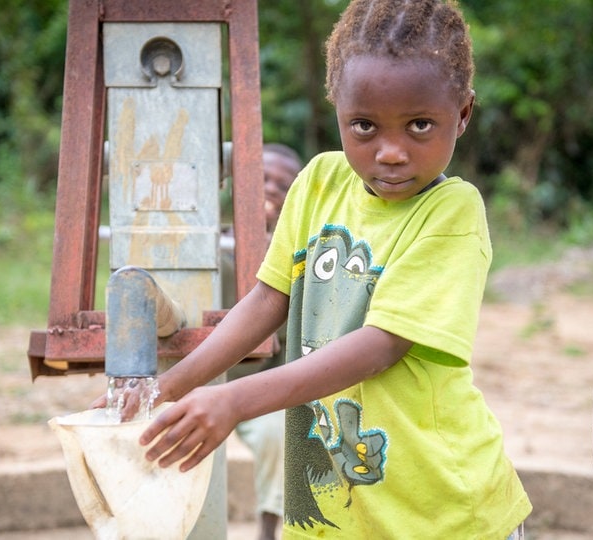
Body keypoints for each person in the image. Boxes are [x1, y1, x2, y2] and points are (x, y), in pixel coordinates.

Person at [139, 1, 532, 537]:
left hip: (442, 512)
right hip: (334, 512)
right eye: (364, 126)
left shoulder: (451, 212)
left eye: (419, 125)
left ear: (462, 114)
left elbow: (380, 346)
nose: (391, 152)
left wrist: (234, 399)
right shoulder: (319, 181)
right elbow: (266, 300)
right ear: (337, 111)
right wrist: (168, 387)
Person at [221, 143, 303, 540]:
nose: (271, 190)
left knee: (280, 431)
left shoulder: (304, 256)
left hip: (265, 388)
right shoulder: (211, 250)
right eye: (262, 180)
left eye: (283, 185)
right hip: (211, 380)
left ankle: (269, 530)